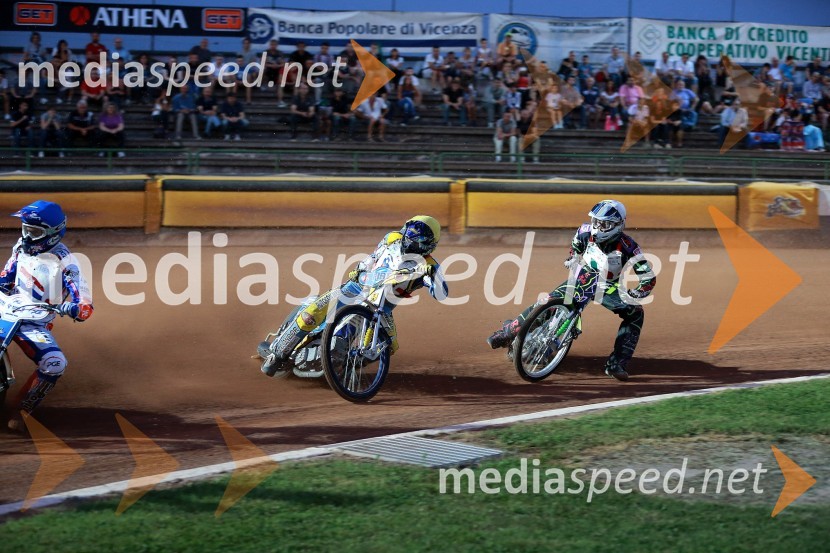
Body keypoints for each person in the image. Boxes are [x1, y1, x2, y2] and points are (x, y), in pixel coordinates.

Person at [487, 200, 656, 381]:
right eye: (596, 222)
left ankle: (617, 364)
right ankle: (508, 332)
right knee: (547, 302)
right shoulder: (585, 231)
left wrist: (639, 291)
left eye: (604, 224)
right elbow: (575, 246)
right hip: (584, 274)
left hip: (609, 286)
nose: (598, 227)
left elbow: (648, 276)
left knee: (636, 313)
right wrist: (572, 257)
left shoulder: (629, 246)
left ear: (618, 225)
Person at [261, 216, 448, 376]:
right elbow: (373, 257)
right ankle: (276, 354)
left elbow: (442, 293)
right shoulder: (391, 238)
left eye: (417, 241)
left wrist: (431, 276)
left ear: (429, 245)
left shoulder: (430, 265)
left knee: (389, 346)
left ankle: (347, 366)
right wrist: (360, 268)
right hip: (355, 287)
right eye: (409, 236)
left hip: (382, 308)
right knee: (312, 313)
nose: (410, 243)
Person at [1, 201, 93, 432]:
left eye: (34, 232)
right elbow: (5, 277)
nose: (27, 237)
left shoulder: (67, 263)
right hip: (5, 307)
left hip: (34, 320)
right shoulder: (20, 247)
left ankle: (22, 411)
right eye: (25, 229)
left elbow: (84, 302)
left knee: (55, 364)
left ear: (52, 233)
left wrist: (75, 309)